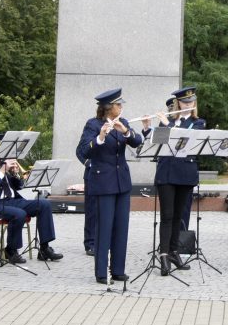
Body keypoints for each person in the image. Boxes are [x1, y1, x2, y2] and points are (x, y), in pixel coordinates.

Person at [76, 88, 143, 284]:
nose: (121, 107)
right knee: (104, 228)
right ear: (108, 108)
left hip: (122, 181)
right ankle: (101, 273)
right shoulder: (93, 124)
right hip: (103, 182)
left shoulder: (124, 123)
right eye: (118, 105)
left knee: (121, 228)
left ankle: (118, 270)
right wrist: (100, 137)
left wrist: (126, 132)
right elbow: (82, 150)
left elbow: (137, 141)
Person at [141, 87, 205, 275]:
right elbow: (155, 142)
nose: (187, 105)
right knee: (167, 216)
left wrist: (167, 124)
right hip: (167, 174)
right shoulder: (166, 121)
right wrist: (146, 127)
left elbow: (183, 140)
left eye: (191, 102)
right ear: (178, 104)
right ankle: (163, 256)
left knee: (179, 216)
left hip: (185, 173)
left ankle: (174, 252)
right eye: (184, 102)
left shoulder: (198, 123)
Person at [0, 134, 63, 263]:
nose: (7, 151)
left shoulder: (5, 162)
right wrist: (1, 172)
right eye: (2, 147)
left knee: (44, 204)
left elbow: (19, 187)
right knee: (19, 214)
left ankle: (44, 248)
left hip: (11, 201)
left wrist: (15, 174)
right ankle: (11, 250)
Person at [75, 132, 96, 257]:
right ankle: (90, 243)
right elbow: (79, 150)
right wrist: (87, 162)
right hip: (92, 175)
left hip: (109, 176)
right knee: (91, 210)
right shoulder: (92, 126)